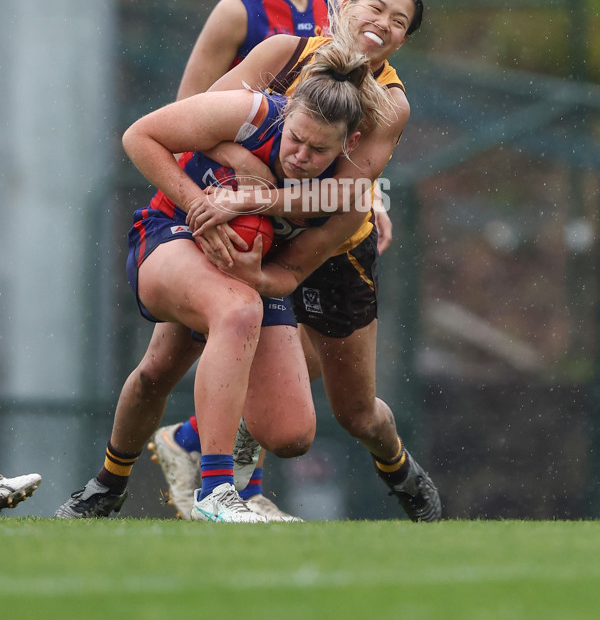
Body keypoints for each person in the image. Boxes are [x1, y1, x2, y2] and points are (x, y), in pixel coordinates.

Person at [54, 26, 392, 523]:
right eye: (296, 139)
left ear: (352, 141)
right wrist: (196, 204)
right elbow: (140, 136)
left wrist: (257, 267)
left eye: (319, 151)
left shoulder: (343, 196)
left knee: (288, 433)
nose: (301, 156)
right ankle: (215, 491)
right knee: (233, 313)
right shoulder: (253, 111)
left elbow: (290, 276)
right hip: (172, 232)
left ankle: (108, 486)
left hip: (245, 271)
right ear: (289, 107)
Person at [148, 0, 393, 521]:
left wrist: (367, 200)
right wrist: (238, 179)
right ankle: (119, 478)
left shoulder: (339, 13)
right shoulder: (240, 12)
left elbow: (350, 141)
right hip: (206, 201)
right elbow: (187, 114)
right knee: (160, 363)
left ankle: (218, 471)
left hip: (277, 217)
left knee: (284, 356)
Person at [193, 0, 442, 523]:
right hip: (261, 232)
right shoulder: (286, 52)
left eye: (399, 22)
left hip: (334, 252)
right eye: (376, 8)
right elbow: (205, 118)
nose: (383, 24)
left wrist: (250, 201)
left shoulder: (389, 104)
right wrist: (243, 176)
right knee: (177, 355)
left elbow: (342, 192)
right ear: (347, 5)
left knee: (356, 413)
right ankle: (194, 480)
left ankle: (396, 464)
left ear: (404, 41)